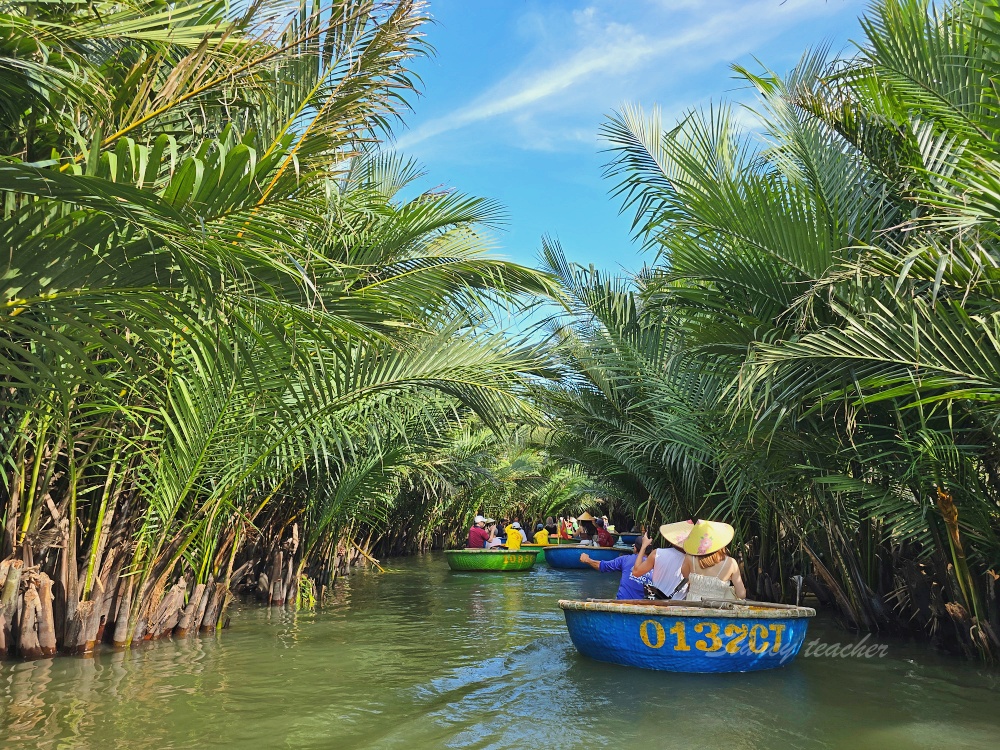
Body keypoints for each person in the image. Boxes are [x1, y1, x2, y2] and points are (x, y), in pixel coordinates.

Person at [679, 520, 746, 601]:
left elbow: (685, 575)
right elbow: (741, 594)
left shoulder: (690, 558)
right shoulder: (731, 563)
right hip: (717, 608)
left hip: (693, 606)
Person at [632, 520, 694, 599]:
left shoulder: (657, 553)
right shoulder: (693, 562)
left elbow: (636, 572)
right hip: (678, 606)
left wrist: (644, 546)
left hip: (657, 603)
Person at [580, 541, 652, 600]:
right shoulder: (656, 565)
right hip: (646, 605)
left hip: (623, 602)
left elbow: (603, 566)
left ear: (635, 549)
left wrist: (587, 560)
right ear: (651, 551)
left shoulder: (625, 559)